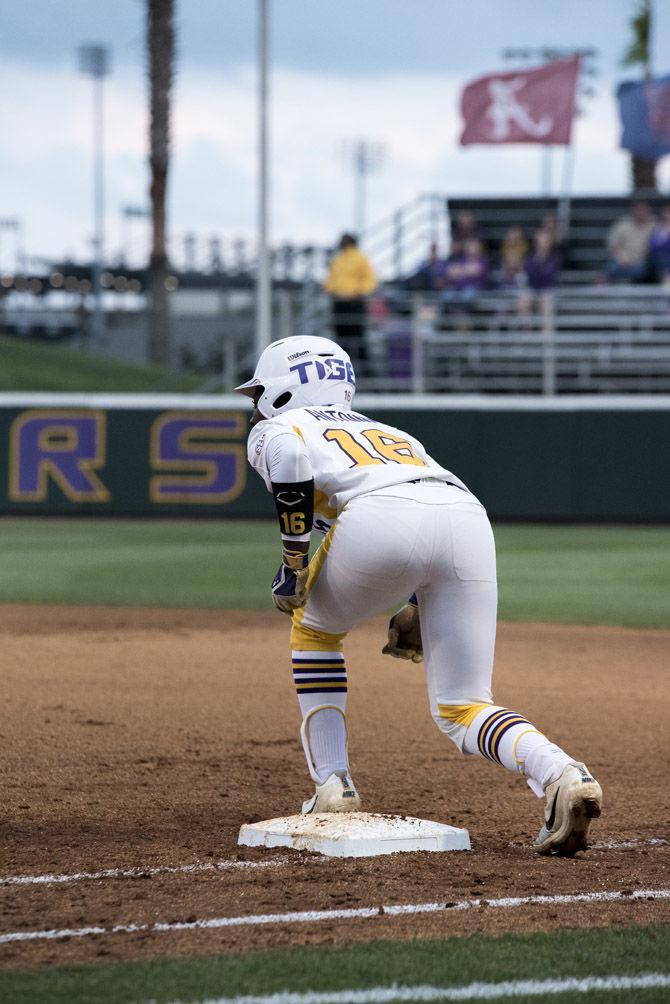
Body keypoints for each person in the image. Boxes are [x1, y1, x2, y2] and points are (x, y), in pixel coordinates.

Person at [235, 335, 603, 856]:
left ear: (283, 389)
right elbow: (424, 510)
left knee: (314, 629)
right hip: (466, 517)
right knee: (463, 705)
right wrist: (417, 598)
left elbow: (294, 457)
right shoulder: (387, 430)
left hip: (377, 517)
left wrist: (294, 561)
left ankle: (333, 785)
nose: (255, 406)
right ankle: (562, 773)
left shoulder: (277, 428)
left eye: (258, 394)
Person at [323, 234, 377, 367]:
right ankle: (356, 370)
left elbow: (369, 280)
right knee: (347, 340)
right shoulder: (340, 260)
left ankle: (360, 370)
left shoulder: (355, 259)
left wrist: (357, 292)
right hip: (342, 303)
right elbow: (330, 281)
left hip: (353, 303)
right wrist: (334, 291)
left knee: (354, 339)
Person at [606, 201, 654, 283]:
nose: (641, 212)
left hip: (643, 262)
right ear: (633, 210)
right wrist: (622, 258)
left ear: (648, 211)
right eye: (639, 210)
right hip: (622, 261)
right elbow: (612, 244)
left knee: (646, 270)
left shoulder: (654, 225)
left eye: (643, 210)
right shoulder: (623, 224)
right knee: (611, 268)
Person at [648, 205, 670, 284]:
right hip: (659, 260)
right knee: (661, 258)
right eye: (666, 218)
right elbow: (653, 247)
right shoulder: (658, 228)